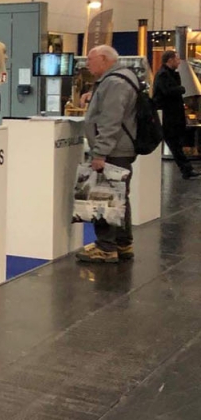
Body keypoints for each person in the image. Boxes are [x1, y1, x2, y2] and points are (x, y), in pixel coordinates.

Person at [77, 45, 139, 263]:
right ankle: (123, 243)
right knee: (119, 196)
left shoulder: (114, 82)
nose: (87, 64)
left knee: (104, 197)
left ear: (104, 59)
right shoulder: (123, 77)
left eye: (90, 60)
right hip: (120, 148)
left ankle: (106, 247)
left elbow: (110, 120)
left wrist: (100, 152)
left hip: (113, 150)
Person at [153, 50, 196, 180]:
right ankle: (186, 169)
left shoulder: (170, 74)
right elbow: (167, 91)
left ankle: (186, 169)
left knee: (175, 143)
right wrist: (181, 89)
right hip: (168, 116)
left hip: (172, 115)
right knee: (173, 143)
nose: (178, 62)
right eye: (177, 59)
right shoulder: (163, 75)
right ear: (170, 60)